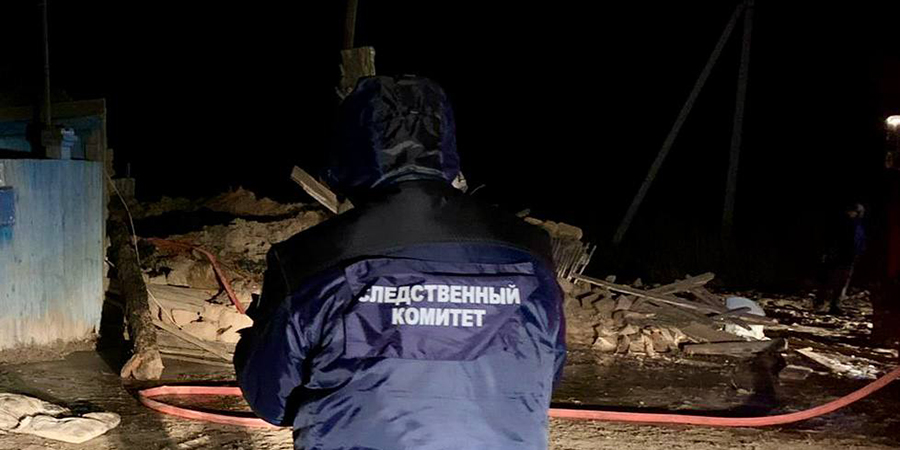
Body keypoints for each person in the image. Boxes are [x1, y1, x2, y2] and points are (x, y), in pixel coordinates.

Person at [234, 75, 566, 450]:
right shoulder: (529, 250)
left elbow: (271, 400)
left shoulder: (310, 258)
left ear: (349, 149)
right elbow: (547, 373)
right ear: (445, 145)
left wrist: (251, 341)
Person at [817, 202, 866, 314]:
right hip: (839, 257)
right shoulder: (844, 224)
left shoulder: (856, 225)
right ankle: (824, 303)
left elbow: (859, 241)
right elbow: (834, 240)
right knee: (832, 281)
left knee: (841, 283)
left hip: (849, 257)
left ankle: (834, 305)